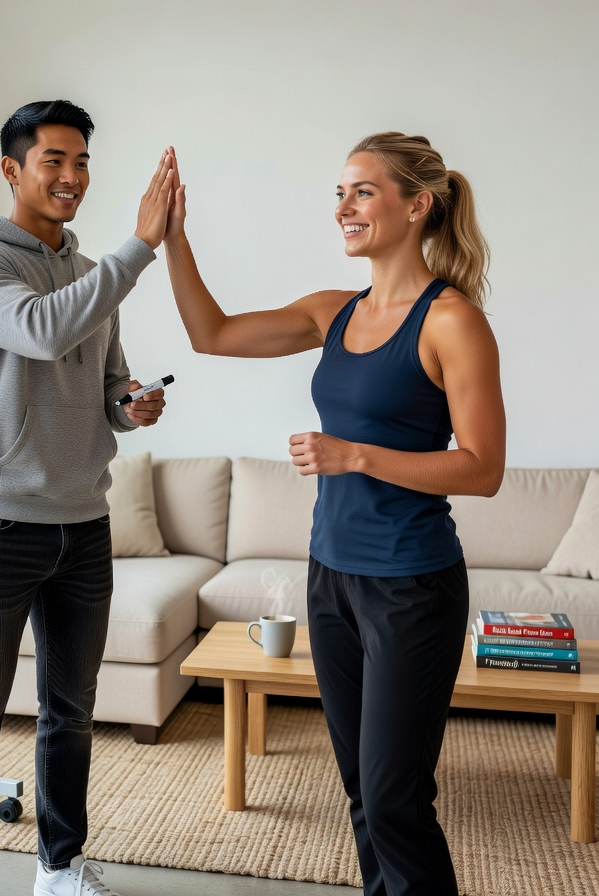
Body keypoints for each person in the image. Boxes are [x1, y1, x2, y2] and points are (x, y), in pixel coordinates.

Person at [163, 133, 505, 896]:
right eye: (339, 194)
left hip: (411, 587)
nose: (343, 209)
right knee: (361, 795)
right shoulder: (332, 312)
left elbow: (484, 468)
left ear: (417, 206)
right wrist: (174, 240)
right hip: (334, 580)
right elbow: (210, 335)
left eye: (362, 192)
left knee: (396, 802)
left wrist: (357, 456)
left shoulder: (452, 322)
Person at [0, 99, 174, 896]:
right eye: (54, 162)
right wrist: (140, 247)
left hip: (85, 526)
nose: (72, 178)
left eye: (81, 163)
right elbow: (38, 331)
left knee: (70, 714)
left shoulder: (85, 276)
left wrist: (129, 405)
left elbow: (106, 384)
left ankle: (60, 869)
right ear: (13, 169)